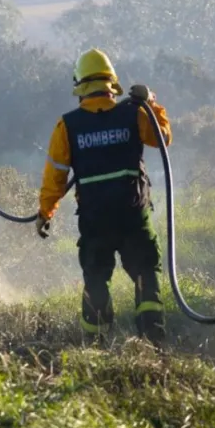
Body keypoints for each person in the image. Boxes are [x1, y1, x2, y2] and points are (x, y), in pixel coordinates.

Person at [36, 48, 173, 345]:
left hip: (95, 219)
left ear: (80, 86)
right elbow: (162, 137)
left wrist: (46, 212)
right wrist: (151, 102)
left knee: (96, 277)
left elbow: (55, 177)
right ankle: (153, 340)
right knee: (145, 271)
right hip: (133, 214)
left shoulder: (67, 126)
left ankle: (95, 345)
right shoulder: (134, 113)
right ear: (112, 83)